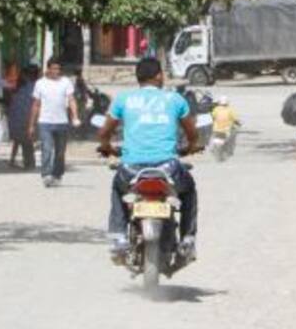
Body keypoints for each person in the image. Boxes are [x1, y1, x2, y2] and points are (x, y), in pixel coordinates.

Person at [96, 57, 200, 262]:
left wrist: (108, 148)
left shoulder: (123, 99)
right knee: (188, 189)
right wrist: (191, 147)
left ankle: (118, 237)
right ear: (159, 76)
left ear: (138, 77)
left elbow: (103, 133)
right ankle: (187, 239)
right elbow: (192, 133)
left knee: (118, 188)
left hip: (132, 169)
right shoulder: (175, 99)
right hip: (168, 168)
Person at [28, 57, 77, 187]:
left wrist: (75, 116)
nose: (56, 71)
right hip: (45, 122)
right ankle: (46, 174)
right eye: (54, 68)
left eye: (58, 69)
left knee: (60, 152)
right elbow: (36, 104)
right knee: (47, 149)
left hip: (62, 122)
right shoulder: (40, 83)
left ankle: (57, 174)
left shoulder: (66, 82)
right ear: (48, 69)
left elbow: (71, 100)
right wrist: (31, 125)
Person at [7, 64, 38, 169]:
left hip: (25, 117)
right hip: (20, 117)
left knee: (25, 141)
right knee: (23, 140)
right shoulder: (23, 87)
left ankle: (29, 162)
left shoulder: (32, 86)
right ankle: (28, 162)